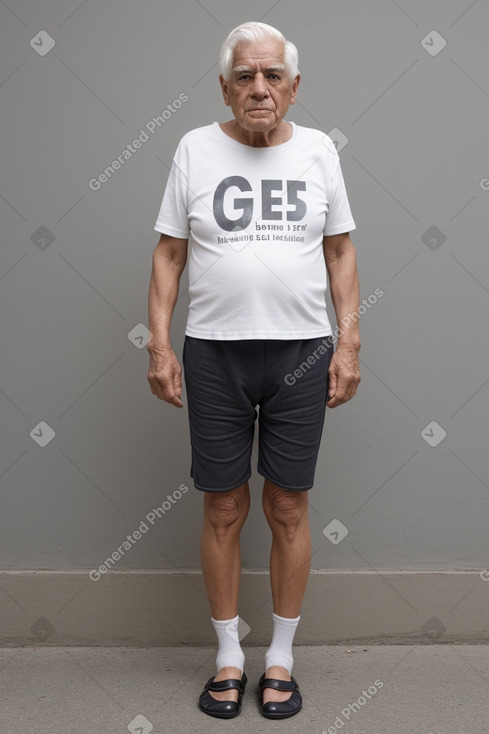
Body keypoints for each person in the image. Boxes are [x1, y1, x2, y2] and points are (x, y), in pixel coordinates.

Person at [147, 20, 361, 720]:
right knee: (223, 505)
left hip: (302, 352)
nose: (258, 88)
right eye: (245, 76)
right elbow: (170, 253)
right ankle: (228, 656)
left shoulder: (319, 151)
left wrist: (349, 341)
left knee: (288, 505)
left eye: (272, 76)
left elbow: (338, 251)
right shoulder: (194, 148)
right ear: (225, 86)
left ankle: (280, 658)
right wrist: (158, 342)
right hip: (215, 351)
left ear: (293, 88)